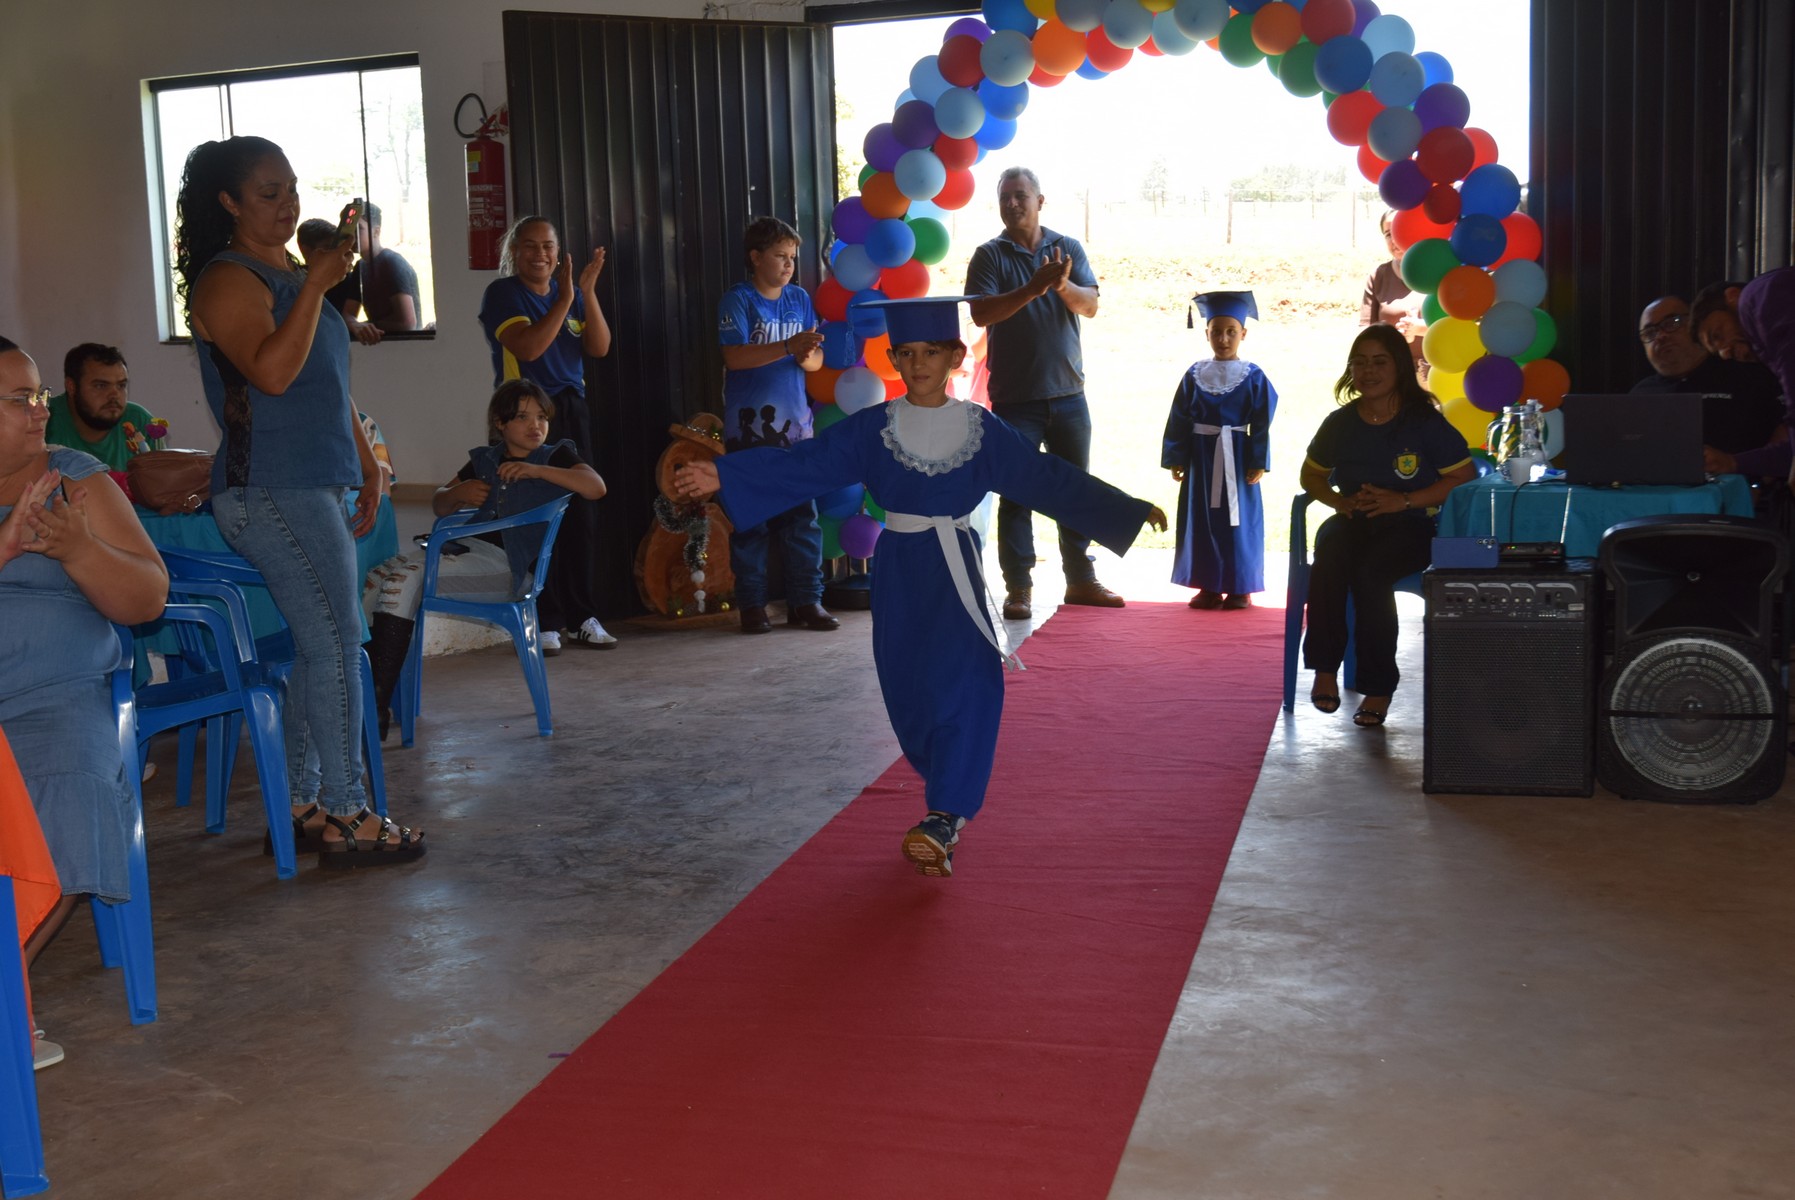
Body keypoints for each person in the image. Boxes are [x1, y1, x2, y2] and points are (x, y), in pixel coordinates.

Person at [671, 298, 1166, 878]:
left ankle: (946, 814)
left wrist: (1124, 510)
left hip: (954, 565)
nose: (919, 362)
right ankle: (945, 800)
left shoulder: (982, 430)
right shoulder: (874, 429)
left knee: (967, 679)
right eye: (906, 353)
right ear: (895, 360)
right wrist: (723, 473)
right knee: (908, 688)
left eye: (932, 351)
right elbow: (807, 462)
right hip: (900, 568)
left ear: (956, 357)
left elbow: (1045, 478)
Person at [176, 135, 424, 866]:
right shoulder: (229, 281)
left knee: (324, 648)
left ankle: (305, 803)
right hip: (268, 487)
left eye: (290, 190)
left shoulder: (288, 270)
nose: (287, 206)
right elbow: (271, 376)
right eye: (267, 194)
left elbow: (326, 380)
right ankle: (349, 814)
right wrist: (317, 286)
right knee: (339, 645)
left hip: (314, 478)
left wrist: (370, 465)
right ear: (228, 202)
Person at [0, 335, 170, 1059]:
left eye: (39, 395)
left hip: (54, 698)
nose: (38, 411)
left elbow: (147, 599)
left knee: (67, 803)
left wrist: (77, 549)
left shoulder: (77, 484)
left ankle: (9, 999)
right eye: (18, 399)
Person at [361, 379, 605, 735]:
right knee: (376, 578)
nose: (535, 425)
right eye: (522, 418)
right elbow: (440, 503)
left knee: (404, 581)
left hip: (508, 571)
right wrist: (458, 492)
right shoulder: (485, 460)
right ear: (501, 425)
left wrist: (536, 471)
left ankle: (376, 706)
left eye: (541, 417)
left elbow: (596, 487)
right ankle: (372, 696)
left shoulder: (556, 456)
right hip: (464, 553)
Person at [965, 166, 1121, 621]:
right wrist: (1033, 288)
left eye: (1021, 196)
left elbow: (1089, 305)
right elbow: (981, 314)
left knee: (1074, 488)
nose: (1013, 204)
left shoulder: (1066, 248)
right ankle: (1019, 589)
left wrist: (1060, 284)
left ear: (1040, 201)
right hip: (1016, 399)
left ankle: (1081, 580)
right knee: (1016, 493)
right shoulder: (989, 256)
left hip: (1069, 395)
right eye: (1005, 197)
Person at [1301, 323, 1475, 728]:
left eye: (1379, 362)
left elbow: (1463, 477)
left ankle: (1378, 686)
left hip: (1411, 525)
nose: (1369, 371)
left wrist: (1405, 499)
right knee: (1329, 554)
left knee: (1372, 573)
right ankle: (1325, 668)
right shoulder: (1339, 423)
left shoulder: (1424, 422)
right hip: (1354, 519)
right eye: (1359, 363)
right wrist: (1338, 501)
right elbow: (1311, 476)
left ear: (1399, 366)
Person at [478, 214, 616, 653]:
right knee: (534, 515)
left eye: (549, 246)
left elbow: (599, 346)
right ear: (514, 252)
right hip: (526, 414)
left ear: (559, 253)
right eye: (531, 246)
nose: (541, 254)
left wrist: (585, 294)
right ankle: (545, 615)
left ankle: (582, 615)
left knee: (580, 516)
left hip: (569, 410)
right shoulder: (504, 293)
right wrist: (564, 298)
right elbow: (531, 346)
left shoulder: (571, 294)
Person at [717, 216, 835, 634]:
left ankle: (807, 601)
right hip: (748, 432)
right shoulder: (738, 300)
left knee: (803, 521)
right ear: (755, 257)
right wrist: (788, 345)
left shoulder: (801, 299)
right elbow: (735, 357)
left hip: (797, 430)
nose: (788, 265)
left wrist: (805, 355)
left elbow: (816, 362)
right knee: (751, 522)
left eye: (792, 257)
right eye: (780, 257)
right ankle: (752, 605)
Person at [1162, 290, 1277, 611]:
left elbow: (1262, 422)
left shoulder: (1253, 376)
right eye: (1216, 332)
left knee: (1237, 521)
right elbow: (1179, 417)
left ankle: (1240, 586)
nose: (1223, 339)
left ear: (1244, 333)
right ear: (1206, 334)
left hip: (1237, 458)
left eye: (1231, 332)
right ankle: (1208, 585)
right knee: (1203, 519)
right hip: (1201, 458)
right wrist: (1176, 457)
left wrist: (1258, 461)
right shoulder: (1195, 373)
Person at [1630, 295, 1786, 480]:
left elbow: (1786, 427)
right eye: (1650, 333)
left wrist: (1760, 481)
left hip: (1742, 494)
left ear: (1695, 325)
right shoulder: (1639, 394)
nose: (1661, 336)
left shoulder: (1745, 372)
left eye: (1672, 323)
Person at [45, 343, 165, 470]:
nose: (114, 395)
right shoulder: (42, 420)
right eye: (101, 386)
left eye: (121, 385)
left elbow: (162, 484)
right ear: (71, 387)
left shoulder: (140, 422)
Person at [1360, 210, 1427, 370]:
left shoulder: (1441, 273)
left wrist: (1420, 328)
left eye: (1401, 231)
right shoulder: (1378, 276)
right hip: (1392, 376)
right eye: (1388, 234)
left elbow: (1458, 326)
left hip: (1437, 376)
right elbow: (1365, 329)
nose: (1395, 240)